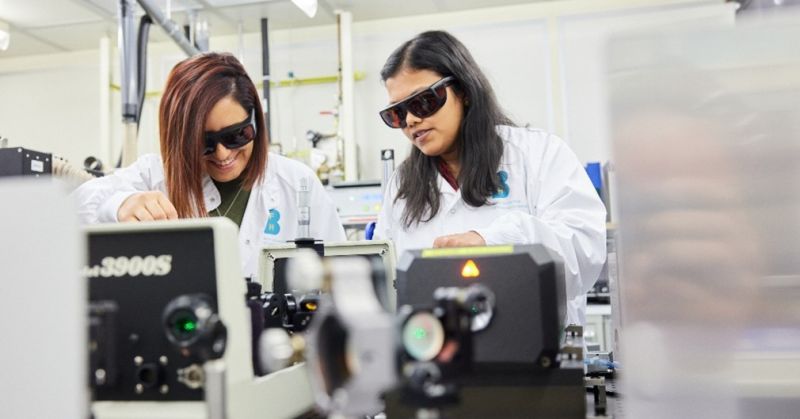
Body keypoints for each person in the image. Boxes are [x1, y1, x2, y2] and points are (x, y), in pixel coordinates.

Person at [373, 30, 606, 326]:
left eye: (423, 102)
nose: (410, 120)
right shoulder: (403, 185)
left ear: (465, 92)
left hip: (535, 355)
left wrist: (494, 242)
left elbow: (584, 252)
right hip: (439, 360)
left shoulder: (537, 154)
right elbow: (387, 280)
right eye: (397, 113)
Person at [74, 52, 346, 278]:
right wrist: (119, 204)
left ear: (255, 123)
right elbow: (71, 210)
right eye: (204, 142)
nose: (222, 153)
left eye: (236, 135)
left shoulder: (296, 182)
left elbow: (341, 272)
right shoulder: (154, 176)